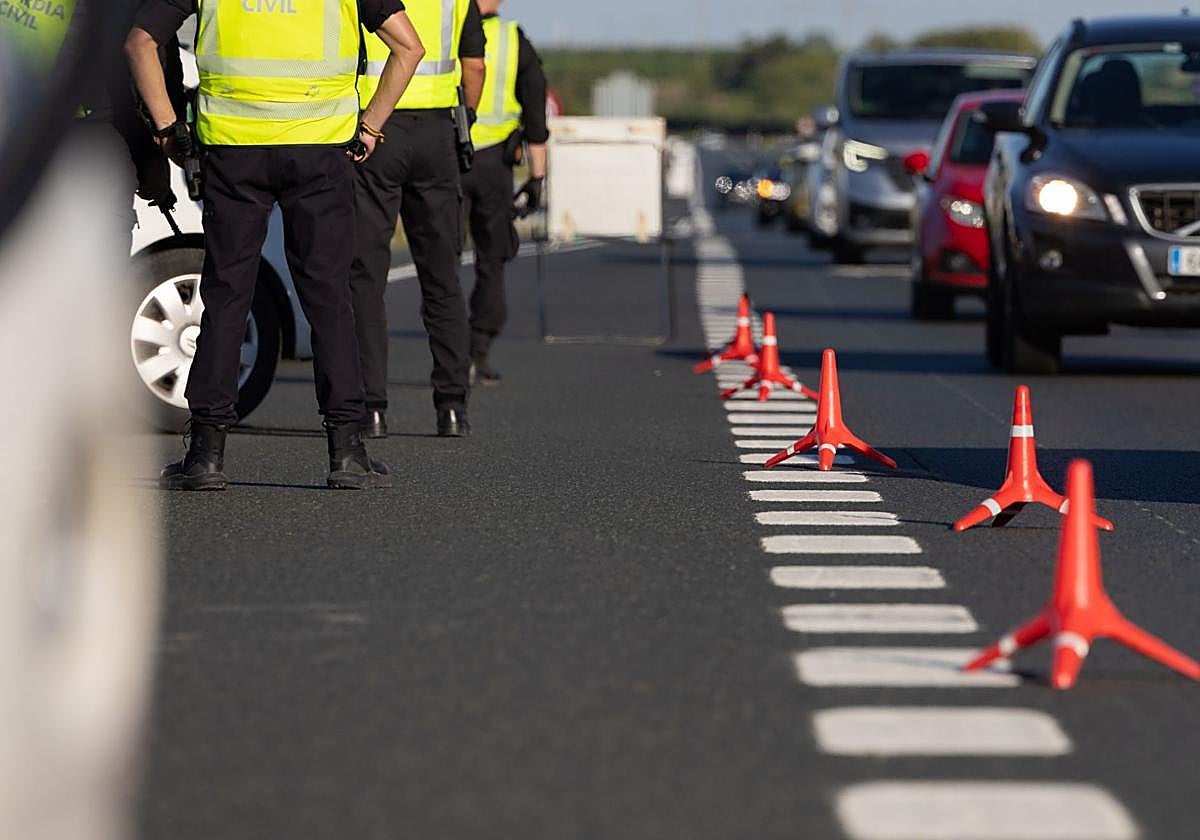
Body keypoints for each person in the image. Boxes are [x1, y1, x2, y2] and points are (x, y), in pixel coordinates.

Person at [125, 0, 425, 490]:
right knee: (329, 297)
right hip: (320, 149)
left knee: (226, 294)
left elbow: (139, 42)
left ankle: (205, 455)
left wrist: (167, 131)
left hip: (233, 148)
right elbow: (410, 48)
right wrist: (371, 126)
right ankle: (347, 452)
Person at [350, 0, 486, 440]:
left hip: (376, 125)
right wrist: (468, 116)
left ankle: (371, 409)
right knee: (442, 276)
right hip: (437, 135)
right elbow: (475, 66)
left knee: (366, 276)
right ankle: (452, 408)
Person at [461, 0, 549, 385]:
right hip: (494, 166)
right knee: (491, 260)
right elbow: (535, 117)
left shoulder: (444, 28)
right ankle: (477, 352)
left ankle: (446, 356)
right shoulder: (514, 41)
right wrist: (537, 178)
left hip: (446, 159)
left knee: (440, 263)